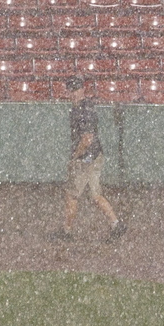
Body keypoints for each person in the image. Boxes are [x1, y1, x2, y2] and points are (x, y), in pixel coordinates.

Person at [61, 79, 124, 240]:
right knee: (95, 195)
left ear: (82, 90)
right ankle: (115, 223)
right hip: (95, 155)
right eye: (71, 90)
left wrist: (75, 157)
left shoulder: (81, 111)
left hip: (86, 157)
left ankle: (67, 232)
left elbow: (86, 138)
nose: (73, 93)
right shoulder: (87, 106)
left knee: (71, 195)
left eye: (76, 90)